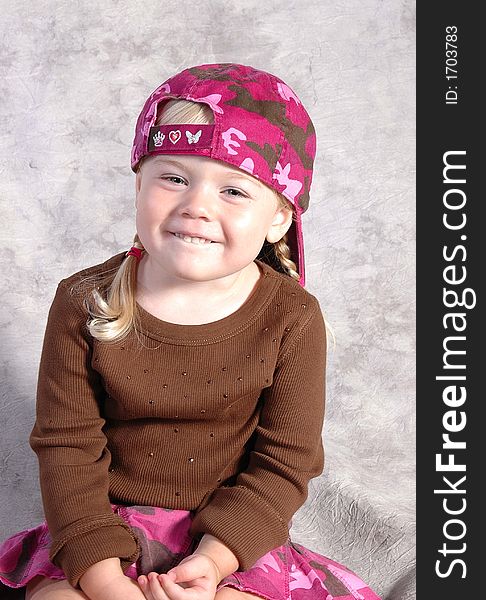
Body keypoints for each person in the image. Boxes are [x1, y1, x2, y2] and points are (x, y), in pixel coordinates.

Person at [0, 63, 381, 600]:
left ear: (278, 218)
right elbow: (68, 447)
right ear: (139, 183)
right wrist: (106, 580)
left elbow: (284, 463)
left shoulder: (292, 318)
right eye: (174, 178)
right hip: (107, 528)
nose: (196, 206)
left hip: (230, 535)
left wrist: (214, 561)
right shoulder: (82, 301)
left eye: (234, 191)